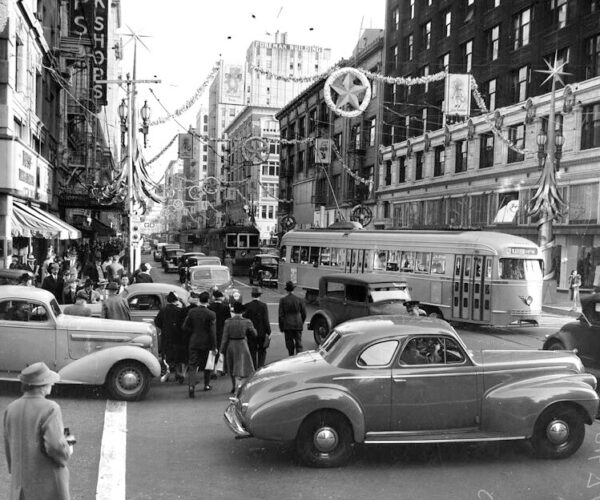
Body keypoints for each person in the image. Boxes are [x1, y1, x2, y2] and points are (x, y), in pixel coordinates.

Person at [3, 362, 72, 500]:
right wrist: (67, 450)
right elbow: (55, 446)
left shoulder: (11, 408)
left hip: (21, 483)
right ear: (43, 385)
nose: (52, 384)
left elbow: (8, 443)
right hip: (47, 482)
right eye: (50, 382)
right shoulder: (50, 408)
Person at [182, 291, 216, 398]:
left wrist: (194, 331)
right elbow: (212, 332)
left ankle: (191, 386)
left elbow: (184, 326)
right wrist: (214, 346)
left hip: (194, 340)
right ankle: (206, 384)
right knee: (207, 365)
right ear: (208, 300)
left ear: (199, 300)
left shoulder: (192, 312)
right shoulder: (211, 314)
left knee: (192, 365)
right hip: (206, 342)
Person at [220, 301, 257, 395]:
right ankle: (239, 386)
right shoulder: (247, 321)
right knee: (242, 366)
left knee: (232, 367)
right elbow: (254, 333)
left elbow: (224, 337)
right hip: (242, 344)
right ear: (242, 312)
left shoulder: (228, 322)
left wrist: (222, 350)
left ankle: (234, 386)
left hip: (231, 345)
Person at [154, 291, 187, 383]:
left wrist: (164, 328)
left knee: (166, 356)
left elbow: (157, 322)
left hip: (166, 336)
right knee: (177, 356)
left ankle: (166, 374)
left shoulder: (163, 310)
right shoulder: (179, 311)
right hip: (177, 336)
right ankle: (178, 373)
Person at [243, 287, 271, 369]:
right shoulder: (263, 306)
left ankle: (253, 368)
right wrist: (269, 332)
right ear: (260, 295)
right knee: (262, 350)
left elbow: (244, 318)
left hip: (251, 332)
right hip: (262, 332)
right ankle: (260, 367)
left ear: (252, 295)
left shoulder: (247, 305)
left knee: (252, 351)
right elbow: (266, 320)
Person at [278, 281, 306, 356]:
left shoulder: (283, 300)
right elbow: (304, 313)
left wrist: (281, 327)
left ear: (286, 290)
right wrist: (301, 322)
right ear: (293, 289)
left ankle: (291, 356)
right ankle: (299, 359)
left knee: (289, 344)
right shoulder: (299, 299)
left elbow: (281, 315)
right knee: (299, 343)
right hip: (298, 323)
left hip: (287, 324)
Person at [208, 290, 231, 361]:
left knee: (212, 347)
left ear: (214, 298)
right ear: (221, 298)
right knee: (221, 347)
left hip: (211, 330)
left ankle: (211, 363)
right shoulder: (226, 307)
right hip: (222, 330)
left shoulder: (209, 307)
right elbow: (228, 320)